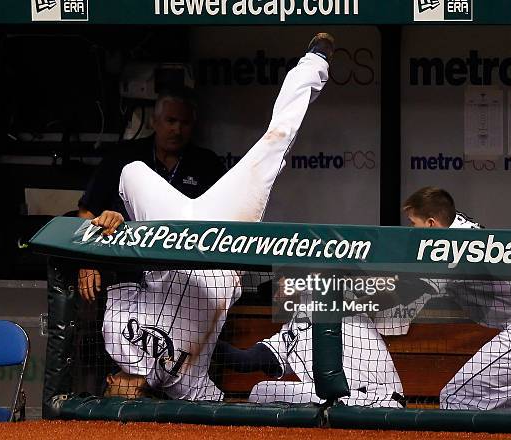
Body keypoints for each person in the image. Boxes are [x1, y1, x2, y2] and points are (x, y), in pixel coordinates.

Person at [88, 33, 335, 400]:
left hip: (170, 238)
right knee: (275, 143)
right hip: (220, 239)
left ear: (109, 382)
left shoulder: (113, 338)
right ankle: (315, 63)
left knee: (131, 171)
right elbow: (219, 407)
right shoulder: (184, 387)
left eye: (115, 403)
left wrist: (111, 228)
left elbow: (123, 273)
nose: (125, 402)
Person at [368, 186, 511, 410]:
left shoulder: (452, 245)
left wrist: (347, 304)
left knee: (454, 399)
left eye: (414, 223)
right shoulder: (460, 226)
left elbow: (404, 293)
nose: (411, 230)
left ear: (431, 224)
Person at [77, 87, 226, 301]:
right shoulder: (122, 157)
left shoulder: (207, 163)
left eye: (184, 123)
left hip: (185, 280)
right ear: (154, 122)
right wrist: (87, 262)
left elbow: (222, 220)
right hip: (125, 275)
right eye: (170, 121)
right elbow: (87, 211)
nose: (177, 129)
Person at [215, 280, 405, 407]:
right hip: (340, 401)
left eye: (280, 283)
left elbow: (331, 274)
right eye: (275, 291)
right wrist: (202, 342)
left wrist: (301, 280)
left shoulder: (335, 296)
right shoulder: (287, 333)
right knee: (261, 390)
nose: (277, 294)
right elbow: (244, 360)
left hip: (382, 398)